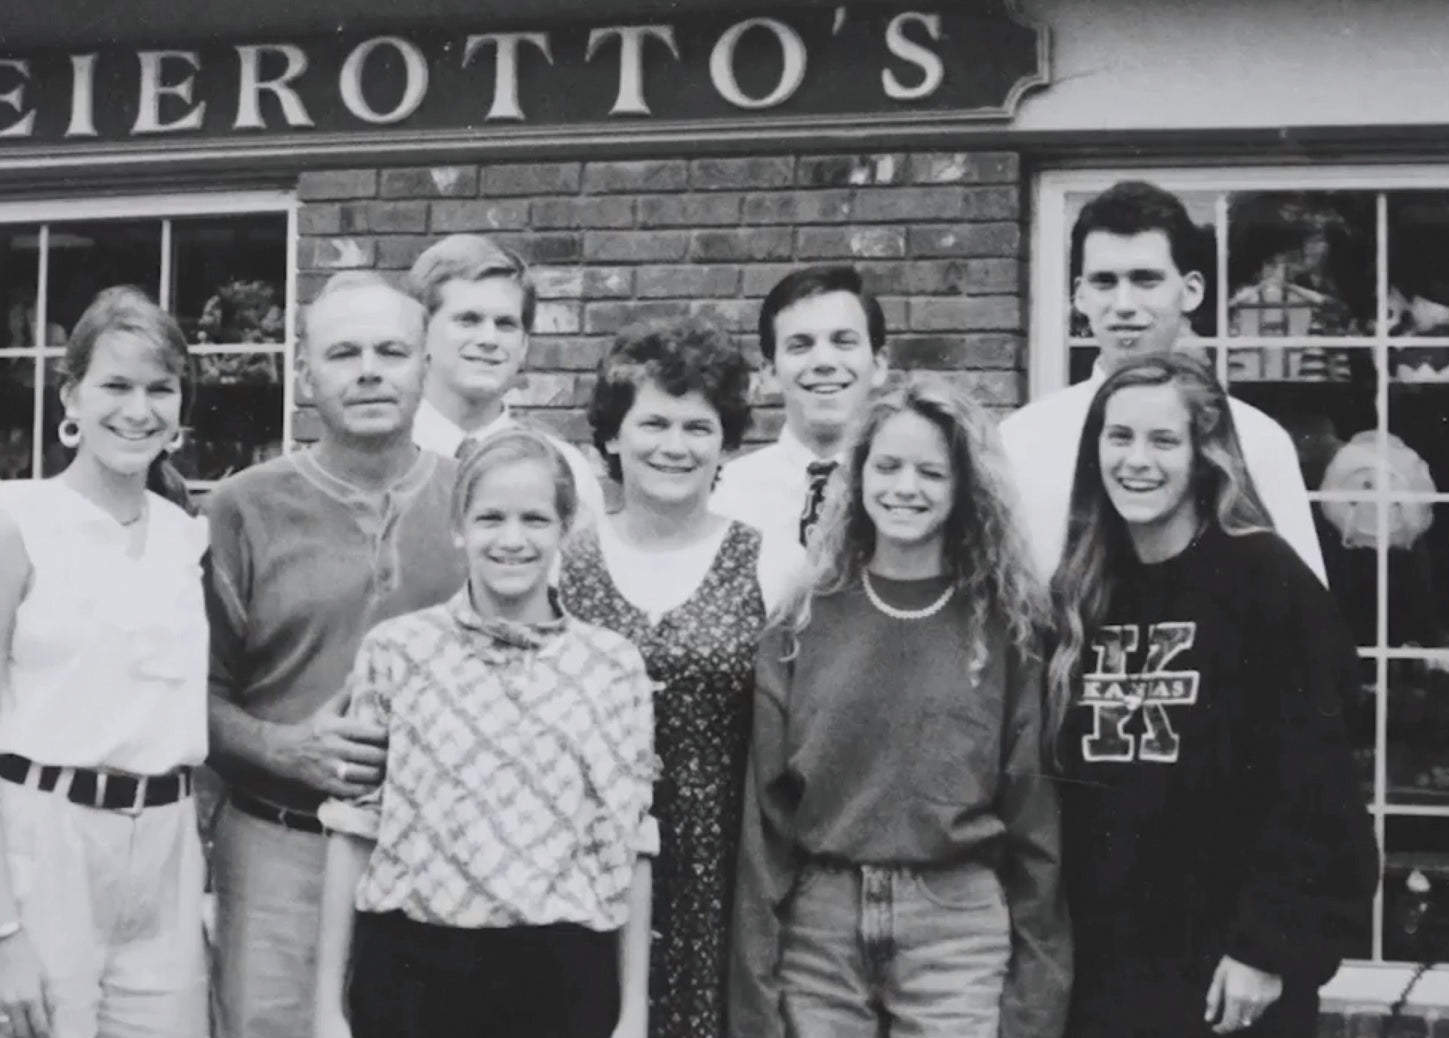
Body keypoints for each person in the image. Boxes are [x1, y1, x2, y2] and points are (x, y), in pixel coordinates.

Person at [1046, 353, 1379, 1038]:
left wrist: (1268, 945)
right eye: (1119, 437)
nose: (1137, 460)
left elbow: (1316, 788)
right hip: (1103, 969)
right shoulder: (1081, 587)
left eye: (1163, 440)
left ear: (1206, 454)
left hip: (1229, 974)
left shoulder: (1265, 581)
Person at [729, 376, 1071, 1038]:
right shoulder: (801, 620)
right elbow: (765, 823)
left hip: (957, 925)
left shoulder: (1006, 626)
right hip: (821, 924)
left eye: (930, 472)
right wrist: (756, 992)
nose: (904, 488)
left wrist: (1035, 1000)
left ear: (964, 487)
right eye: (886, 466)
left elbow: (1035, 821)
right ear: (857, 477)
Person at [0, 286, 210, 1038]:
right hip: (39, 850)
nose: (138, 410)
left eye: (161, 389)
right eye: (115, 385)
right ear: (71, 397)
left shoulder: (187, 539)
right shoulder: (14, 524)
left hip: (164, 860)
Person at [312, 430, 657, 1038]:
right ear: (459, 528)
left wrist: (632, 1015)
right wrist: (327, 1009)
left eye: (535, 519)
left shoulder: (612, 666)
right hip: (416, 973)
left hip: (562, 978)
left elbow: (630, 846)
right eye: (491, 518)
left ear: (564, 529)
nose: (513, 539)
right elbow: (354, 828)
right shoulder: (399, 653)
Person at [203, 272, 467, 1038]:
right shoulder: (242, 508)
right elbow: (188, 698)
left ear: (426, 365)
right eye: (343, 352)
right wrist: (285, 747)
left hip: (438, 859)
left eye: (392, 350)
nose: (369, 370)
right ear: (306, 372)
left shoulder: (479, 504)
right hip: (281, 850)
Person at [558, 318, 802, 1038]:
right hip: (584, 862)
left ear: (726, 443)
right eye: (653, 423)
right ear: (610, 437)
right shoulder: (561, 559)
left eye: (698, 427)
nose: (674, 445)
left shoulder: (772, 564)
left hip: (720, 873)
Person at [1000, 180, 1326, 583]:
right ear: (1080, 297)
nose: (1123, 306)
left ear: (1190, 292)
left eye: (1145, 280)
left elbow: (1303, 615)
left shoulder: (1256, 439)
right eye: (1105, 282)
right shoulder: (1020, 440)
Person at [407, 233, 607, 522]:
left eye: (505, 324)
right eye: (469, 320)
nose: (489, 339)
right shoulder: (378, 459)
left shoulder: (567, 473)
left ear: (524, 346)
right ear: (421, 333)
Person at [711, 264, 888, 546]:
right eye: (800, 345)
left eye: (843, 342)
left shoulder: (907, 492)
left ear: (878, 365)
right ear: (769, 373)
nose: (824, 362)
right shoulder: (724, 494)